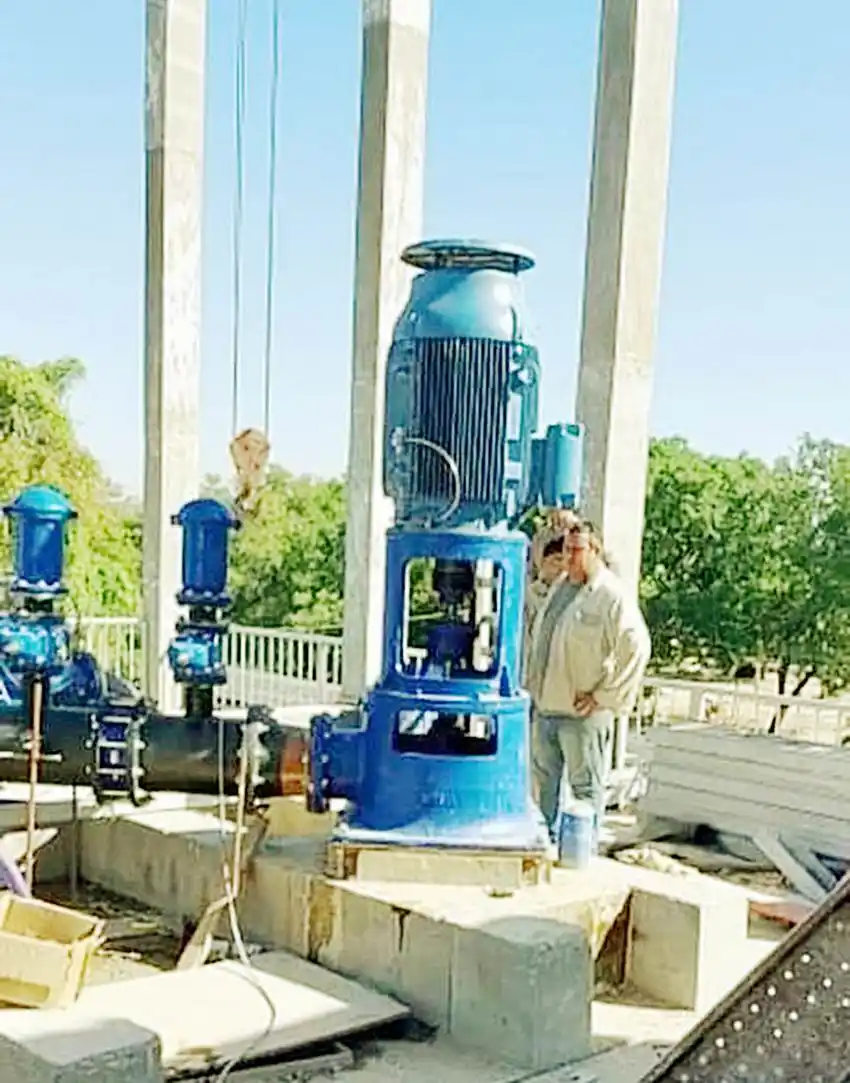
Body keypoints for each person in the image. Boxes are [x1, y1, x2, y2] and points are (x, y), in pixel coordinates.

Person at [527, 520, 651, 837]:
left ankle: (582, 850)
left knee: (584, 789)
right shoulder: (560, 587)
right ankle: (546, 844)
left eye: (577, 550)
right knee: (544, 787)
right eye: (567, 549)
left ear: (594, 550)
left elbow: (636, 646)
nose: (569, 557)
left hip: (581, 714)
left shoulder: (609, 595)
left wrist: (603, 697)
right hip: (547, 707)